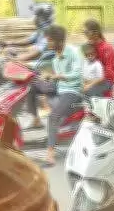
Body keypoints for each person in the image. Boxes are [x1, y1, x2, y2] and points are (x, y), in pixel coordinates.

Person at [26, 25, 83, 167]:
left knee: (53, 117)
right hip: (59, 87)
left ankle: (50, 155)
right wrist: (46, 78)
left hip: (72, 91)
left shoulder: (73, 52)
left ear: (58, 41)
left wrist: (55, 76)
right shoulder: (55, 56)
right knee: (32, 85)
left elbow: (77, 74)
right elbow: (53, 76)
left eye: (50, 40)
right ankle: (36, 120)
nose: (47, 43)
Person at [83, 19, 114, 97]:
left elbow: (108, 74)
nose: (85, 35)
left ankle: (101, 106)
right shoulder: (89, 47)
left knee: (88, 91)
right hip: (93, 79)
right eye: (84, 32)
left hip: (106, 81)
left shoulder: (107, 48)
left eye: (86, 32)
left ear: (96, 33)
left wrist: (91, 83)